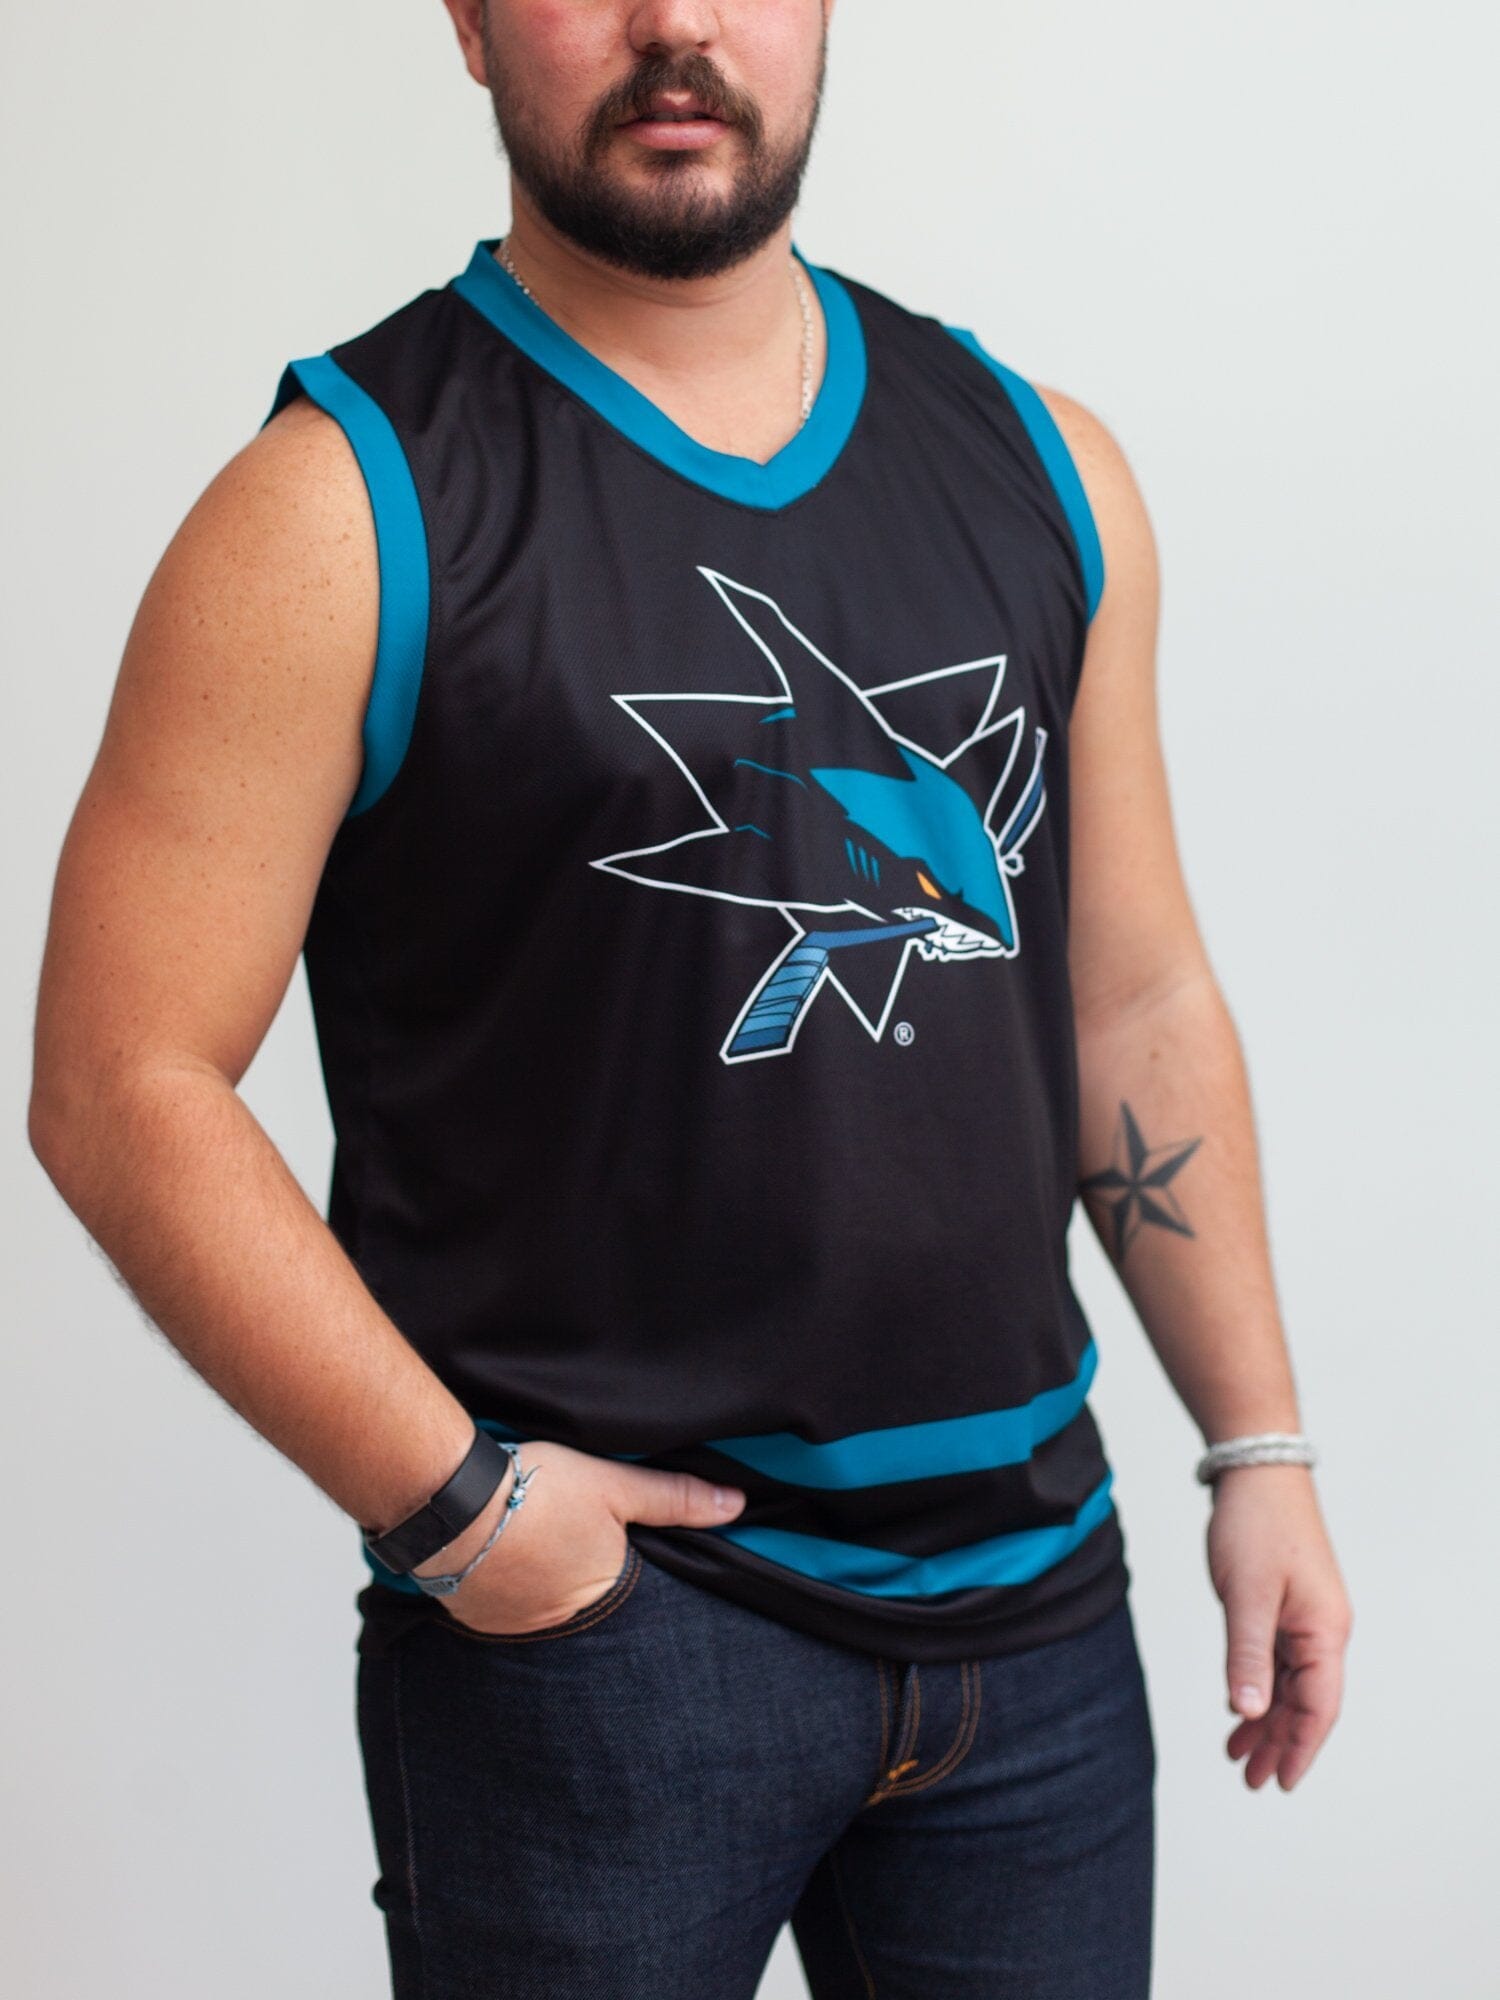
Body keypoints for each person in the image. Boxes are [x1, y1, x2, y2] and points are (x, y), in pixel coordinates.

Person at [27, 2, 1353, 1994]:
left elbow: (1132, 994)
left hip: (1040, 1630)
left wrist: (1259, 1448)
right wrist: (465, 1515)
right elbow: (121, 1078)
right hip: (604, 1650)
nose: (675, 22)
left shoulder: (1044, 465)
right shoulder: (335, 509)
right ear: (470, 23)